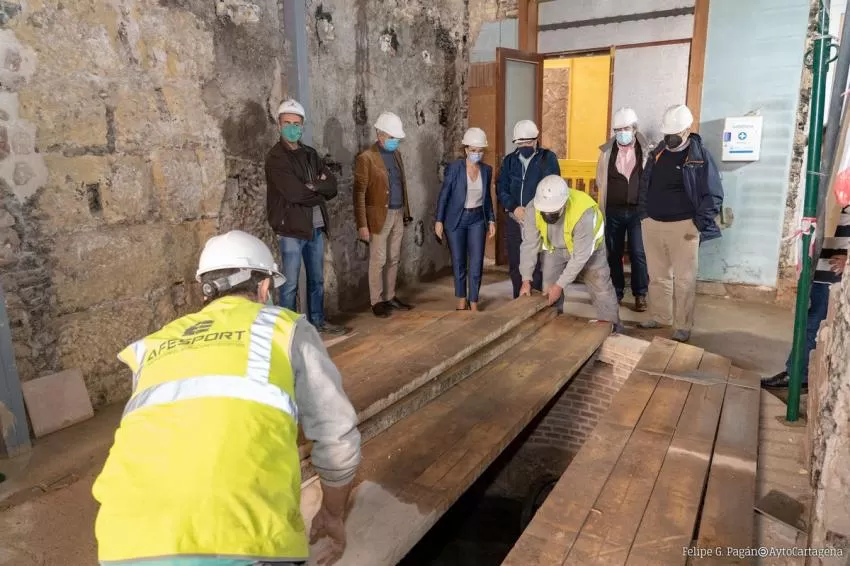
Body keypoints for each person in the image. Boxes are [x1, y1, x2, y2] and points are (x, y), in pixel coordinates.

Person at [92, 230, 361, 566]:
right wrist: (333, 515)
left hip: (124, 546)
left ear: (204, 290)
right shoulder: (284, 327)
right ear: (264, 287)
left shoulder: (154, 344)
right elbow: (337, 437)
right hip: (244, 545)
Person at [638, 104, 723, 343]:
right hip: (652, 223)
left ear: (687, 130)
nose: (670, 137)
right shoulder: (658, 153)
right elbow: (645, 184)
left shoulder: (700, 157)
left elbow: (714, 195)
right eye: (668, 133)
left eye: (675, 132)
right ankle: (661, 316)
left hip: (683, 226)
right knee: (657, 275)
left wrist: (697, 224)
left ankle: (683, 325)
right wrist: (643, 214)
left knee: (684, 279)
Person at [265, 99, 347, 336]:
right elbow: (293, 192)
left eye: (297, 124)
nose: (292, 127)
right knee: (289, 285)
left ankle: (318, 322)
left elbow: (331, 186)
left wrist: (313, 188)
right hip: (291, 229)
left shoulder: (310, 154)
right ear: (279, 126)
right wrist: (315, 189)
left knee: (317, 280)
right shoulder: (276, 158)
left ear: (302, 126)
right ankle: (289, 331)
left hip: (315, 228)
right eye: (287, 123)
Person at [519, 175, 623, 333]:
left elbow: (580, 257)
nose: (548, 216)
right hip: (556, 249)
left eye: (553, 213)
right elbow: (529, 245)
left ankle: (613, 329)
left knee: (601, 287)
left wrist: (560, 285)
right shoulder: (533, 209)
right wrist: (526, 279)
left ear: (564, 204)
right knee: (549, 288)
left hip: (589, 251)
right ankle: (552, 325)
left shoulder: (584, 212)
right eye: (545, 213)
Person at [762, 206, 850, 393]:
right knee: (809, 324)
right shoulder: (837, 185)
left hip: (837, 275)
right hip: (821, 268)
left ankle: (797, 375)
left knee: (813, 325)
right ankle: (800, 373)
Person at [354, 111, 414, 318]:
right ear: (380, 135)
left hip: (397, 212)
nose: (396, 141)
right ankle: (376, 300)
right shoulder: (366, 158)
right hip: (379, 216)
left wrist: (406, 212)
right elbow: (359, 193)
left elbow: (401, 184)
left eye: (397, 138)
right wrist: (362, 224)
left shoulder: (396, 154)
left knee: (394, 257)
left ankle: (390, 296)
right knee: (378, 259)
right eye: (392, 138)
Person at [497, 119, 561, 298]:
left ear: (536, 140)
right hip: (514, 217)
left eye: (529, 143)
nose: (525, 146)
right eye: (521, 143)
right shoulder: (509, 161)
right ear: (516, 143)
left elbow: (551, 185)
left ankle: (539, 299)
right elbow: (501, 188)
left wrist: (534, 209)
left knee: (539, 263)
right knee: (516, 262)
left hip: (539, 218)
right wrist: (514, 207)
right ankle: (519, 299)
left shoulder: (547, 158)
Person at [435, 127, 496, 311]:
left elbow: (487, 198)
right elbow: (444, 195)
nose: (477, 154)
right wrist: (439, 220)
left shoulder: (486, 170)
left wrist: (491, 220)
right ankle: (462, 298)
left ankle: (474, 300)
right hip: (456, 220)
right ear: (466, 150)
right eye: (473, 150)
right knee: (459, 261)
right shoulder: (454, 169)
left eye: (480, 151)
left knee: (476, 261)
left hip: (477, 219)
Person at [596, 107, 651, 312]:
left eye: (626, 128)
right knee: (614, 253)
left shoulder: (646, 150)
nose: (622, 132)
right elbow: (600, 180)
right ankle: (617, 291)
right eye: (618, 129)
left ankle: (640, 294)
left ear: (634, 129)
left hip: (638, 211)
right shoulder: (606, 153)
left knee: (638, 253)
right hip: (613, 211)